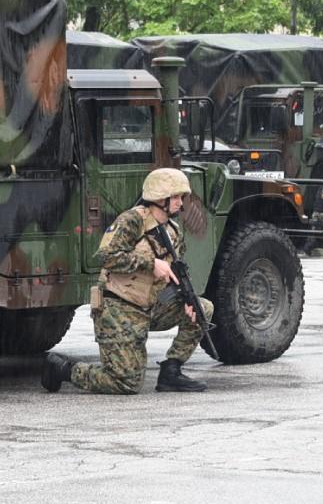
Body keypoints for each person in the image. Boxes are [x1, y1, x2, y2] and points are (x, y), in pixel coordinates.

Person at [41, 167, 213, 394]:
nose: (181, 203)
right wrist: (150, 264)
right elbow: (106, 257)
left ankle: (171, 371)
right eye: (177, 197)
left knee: (202, 309)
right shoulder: (132, 221)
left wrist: (186, 300)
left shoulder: (173, 231)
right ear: (161, 198)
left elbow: (172, 274)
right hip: (118, 308)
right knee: (126, 384)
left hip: (149, 306)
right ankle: (64, 369)